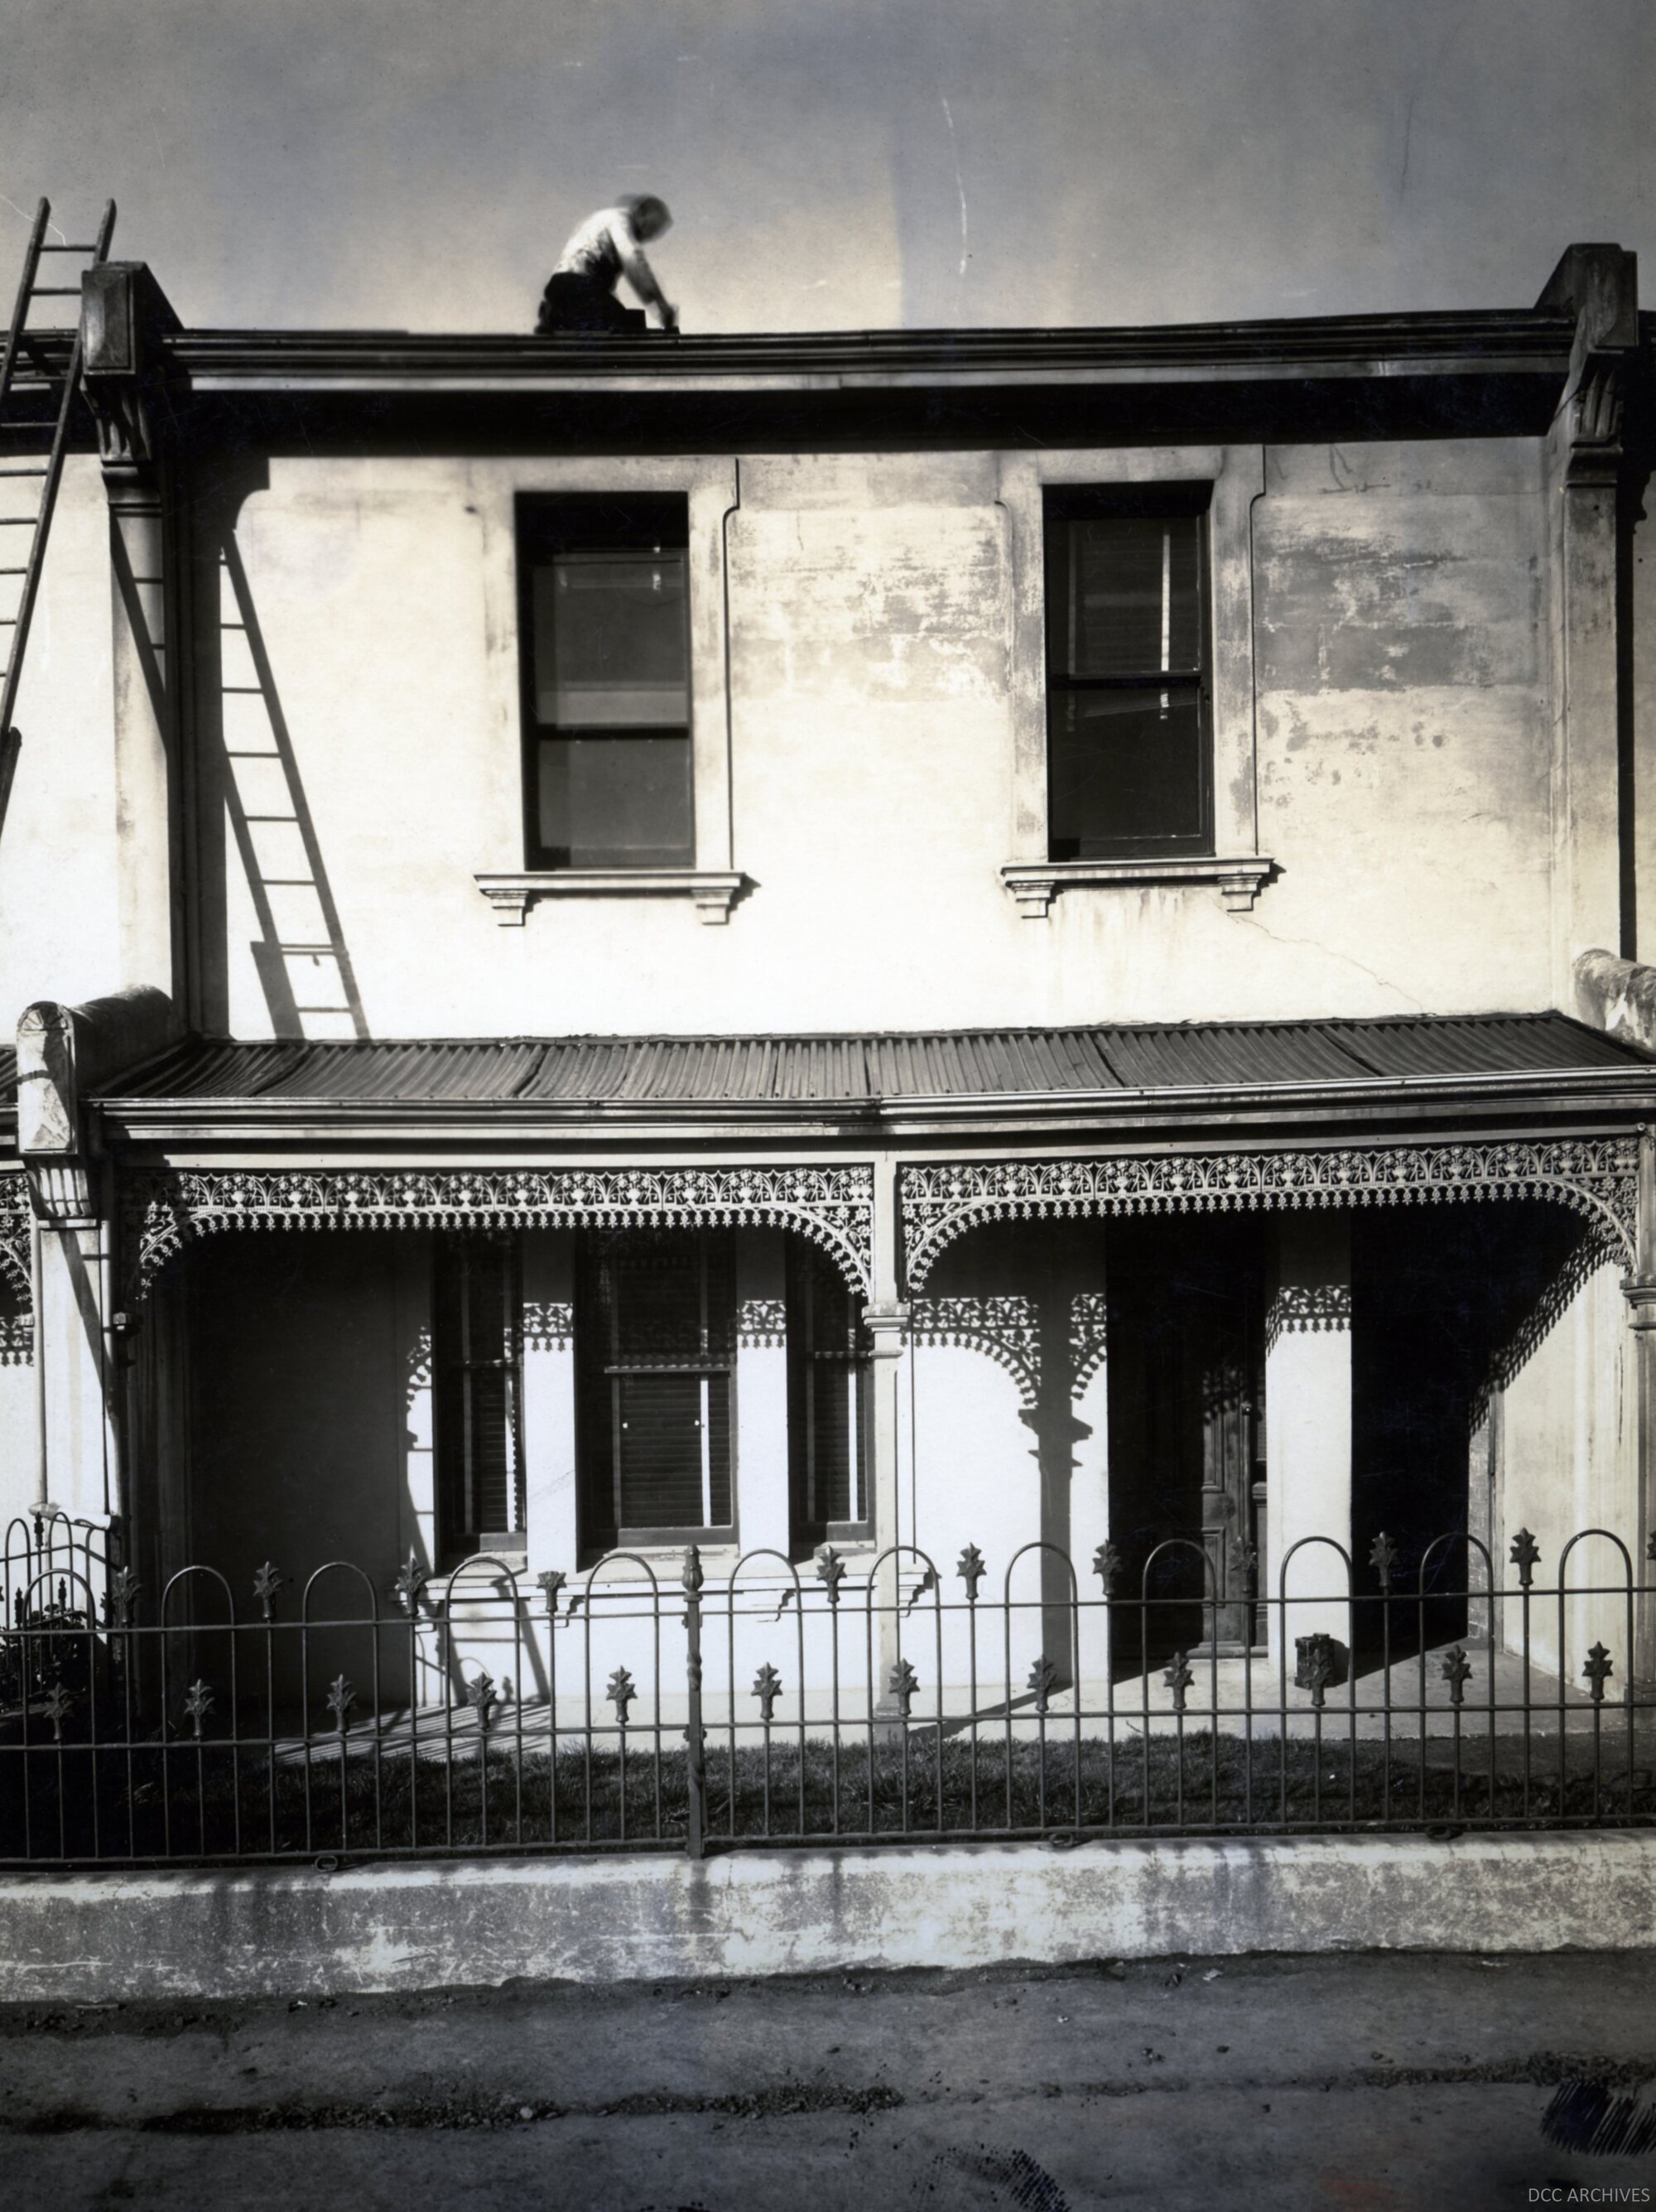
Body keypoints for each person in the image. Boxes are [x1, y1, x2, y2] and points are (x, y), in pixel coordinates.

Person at [537, 195, 679, 335]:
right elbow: (633, 261)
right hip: (577, 285)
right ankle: (556, 316)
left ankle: (555, 316)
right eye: (650, 228)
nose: (650, 237)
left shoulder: (603, 220)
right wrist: (661, 305)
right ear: (641, 213)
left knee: (615, 320)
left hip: (562, 285)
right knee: (628, 326)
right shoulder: (620, 221)